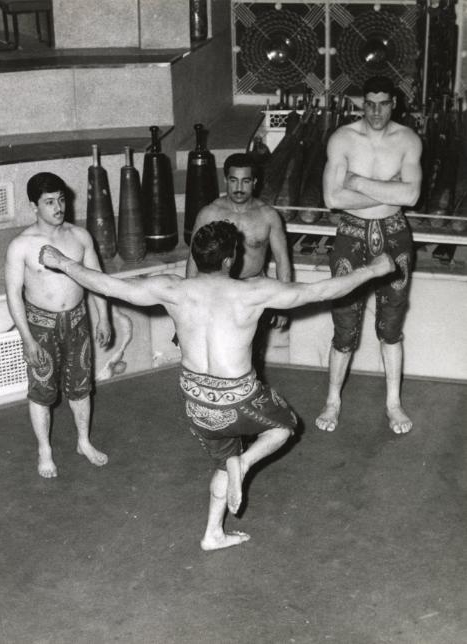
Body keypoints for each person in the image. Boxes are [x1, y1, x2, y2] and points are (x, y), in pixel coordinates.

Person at [39, 220, 394, 550]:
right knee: (285, 427)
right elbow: (322, 290)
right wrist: (375, 269)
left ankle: (213, 533)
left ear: (196, 255)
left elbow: (109, 285)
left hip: (198, 405)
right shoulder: (253, 292)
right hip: (241, 399)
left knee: (224, 463)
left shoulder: (173, 288)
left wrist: (62, 262)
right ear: (231, 259)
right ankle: (247, 462)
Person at [316, 75, 422, 435]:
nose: (376, 112)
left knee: (391, 326)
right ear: (361, 103)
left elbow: (411, 197)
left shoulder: (407, 139)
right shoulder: (343, 138)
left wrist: (358, 182)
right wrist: (390, 190)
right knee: (344, 324)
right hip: (351, 234)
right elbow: (332, 200)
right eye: (369, 103)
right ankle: (333, 400)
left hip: (394, 233)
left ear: (395, 103)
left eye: (384, 103)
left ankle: (393, 403)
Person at [5, 172, 111, 478]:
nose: (58, 206)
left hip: (77, 321)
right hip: (41, 325)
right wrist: (27, 338)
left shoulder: (80, 237)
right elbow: (13, 295)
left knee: (81, 387)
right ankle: (45, 450)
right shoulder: (21, 245)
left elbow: (96, 280)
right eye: (49, 201)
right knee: (42, 390)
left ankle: (83, 442)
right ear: (33, 206)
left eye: (61, 199)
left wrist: (103, 317)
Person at [186, 152, 291, 335]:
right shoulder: (209, 213)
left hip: (254, 289)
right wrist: (189, 301)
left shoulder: (268, 216)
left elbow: (283, 261)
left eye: (246, 181)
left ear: (255, 182)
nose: (239, 187)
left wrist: (284, 305)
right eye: (234, 180)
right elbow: (193, 260)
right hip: (217, 290)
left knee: (253, 351)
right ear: (226, 179)